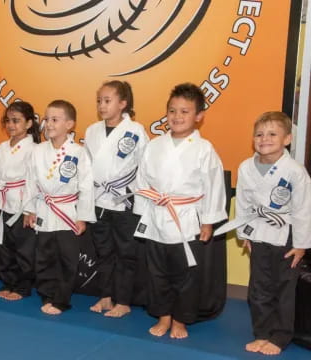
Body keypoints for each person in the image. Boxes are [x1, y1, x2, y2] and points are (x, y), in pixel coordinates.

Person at [132, 83, 227, 338]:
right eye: (172, 111)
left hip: (187, 219)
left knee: (185, 275)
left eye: (185, 112)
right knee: (157, 272)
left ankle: (180, 321)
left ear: (199, 116)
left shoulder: (204, 149)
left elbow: (214, 185)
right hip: (156, 216)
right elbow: (142, 181)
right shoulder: (154, 145)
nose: (177, 117)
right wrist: (143, 212)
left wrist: (208, 221)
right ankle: (164, 316)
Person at [217, 111, 311, 355]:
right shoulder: (246, 167)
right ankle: (262, 333)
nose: (264, 139)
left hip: (287, 236)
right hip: (258, 232)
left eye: (272, 134)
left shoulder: (294, 171)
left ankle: (280, 337)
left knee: (283, 290)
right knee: (259, 289)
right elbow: (245, 204)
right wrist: (244, 234)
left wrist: (301, 245)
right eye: (259, 134)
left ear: (287, 139)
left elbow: (303, 210)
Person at [15, 99, 95, 315]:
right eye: (47, 119)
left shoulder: (78, 152)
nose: (49, 124)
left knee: (66, 259)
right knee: (44, 257)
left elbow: (87, 187)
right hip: (43, 209)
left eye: (55, 120)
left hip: (67, 212)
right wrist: (29, 209)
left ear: (70, 125)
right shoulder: (38, 150)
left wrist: (83, 217)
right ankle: (47, 294)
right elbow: (30, 181)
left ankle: (61, 300)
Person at [85, 80, 149, 317]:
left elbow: (145, 168)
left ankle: (123, 301)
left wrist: (142, 201)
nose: (102, 105)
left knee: (126, 252)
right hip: (99, 199)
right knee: (103, 251)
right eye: (99, 101)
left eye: (107, 100)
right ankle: (106, 297)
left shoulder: (136, 131)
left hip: (125, 200)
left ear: (123, 103)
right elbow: (87, 166)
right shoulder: (92, 131)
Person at [0, 101, 40, 301]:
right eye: (8, 121)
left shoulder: (35, 148)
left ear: (29, 124)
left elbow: (34, 181)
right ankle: (8, 282)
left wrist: (30, 209)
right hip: (4, 201)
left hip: (23, 203)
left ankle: (22, 286)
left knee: (24, 249)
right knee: (4, 247)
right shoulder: (2, 147)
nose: (11, 125)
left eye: (16, 121)